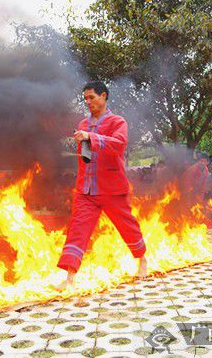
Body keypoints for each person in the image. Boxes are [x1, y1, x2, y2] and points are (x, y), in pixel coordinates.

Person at [56, 81, 147, 290]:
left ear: (103, 96)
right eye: (85, 99)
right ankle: (69, 278)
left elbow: (118, 144)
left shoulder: (118, 122)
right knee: (78, 229)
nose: (88, 102)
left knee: (127, 226)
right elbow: (86, 157)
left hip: (112, 187)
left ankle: (142, 260)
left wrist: (92, 137)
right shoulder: (83, 125)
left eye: (92, 97)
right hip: (86, 190)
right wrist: (83, 144)